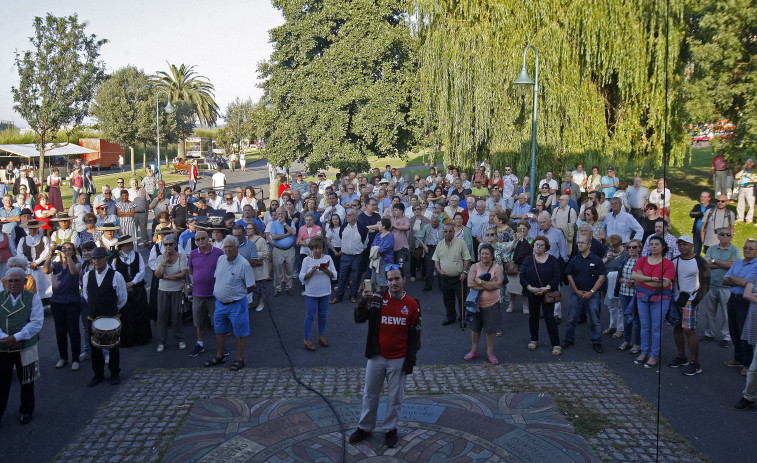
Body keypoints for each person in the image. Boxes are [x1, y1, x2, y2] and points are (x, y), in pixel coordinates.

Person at [348, 265, 420, 449]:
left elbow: (415, 336)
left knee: (395, 397)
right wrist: (363, 302)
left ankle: (390, 429)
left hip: (399, 358)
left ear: (404, 280)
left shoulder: (412, 304)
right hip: (376, 355)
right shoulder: (377, 298)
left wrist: (409, 361)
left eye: (397, 279)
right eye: (390, 279)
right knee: (370, 394)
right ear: (386, 281)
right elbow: (358, 318)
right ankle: (365, 427)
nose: (393, 283)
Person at [204, 236, 255, 371]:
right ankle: (220, 356)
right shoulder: (221, 259)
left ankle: (240, 358)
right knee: (219, 330)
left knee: (240, 332)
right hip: (220, 303)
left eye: (230, 247)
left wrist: (237, 293)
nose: (227, 249)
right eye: (225, 247)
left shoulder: (244, 265)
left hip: (236, 304)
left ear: (237, 247)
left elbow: (251, 286)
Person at [0, 267, 43, 425]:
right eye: (9, 281)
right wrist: (6, 338)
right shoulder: (0, 297)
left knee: (26, 380)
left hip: (25, 346)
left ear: (25, 282)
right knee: (2, 381)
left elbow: (36, 323)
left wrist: (16, 337)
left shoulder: (33, 298)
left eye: (16, 280)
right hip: (3, 347)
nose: (12, 284)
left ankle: (26, 410)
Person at [83, 247, 128, 386]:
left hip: (110, 318)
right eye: (94, 259)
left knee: (113, 347)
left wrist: (112, 310)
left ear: (105, 259)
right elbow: (86, 295)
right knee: (95, 348)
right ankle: (98, 374)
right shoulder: (87, 276)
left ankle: (114, 373)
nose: (96, 261)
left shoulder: (116, 276)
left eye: (98, 258)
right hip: (93, 318)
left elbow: (122, 298)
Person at [668, 235, 710, 375]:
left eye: (685, 244)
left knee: (689, 330)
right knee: (677, 328)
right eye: (680, 245)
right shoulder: (674, 261)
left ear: (692, 245)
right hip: (676, 299)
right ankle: (681, 355)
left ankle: (695, 362)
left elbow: (705, 283)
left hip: (690, 299)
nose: (682, 247)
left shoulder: (699, 261)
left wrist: (696, 300)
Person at [631, 235, 675, 368]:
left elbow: (664, 283)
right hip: (642, 297)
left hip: (660, 299)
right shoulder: (642, 260)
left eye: (657, 244)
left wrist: (643, 279)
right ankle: (644, 352)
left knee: (656, 327)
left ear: (663, 247)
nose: (654, 246)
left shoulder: (668, 263)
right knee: (644, 326)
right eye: (651, 244)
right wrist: (652, 279)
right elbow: (634, 276)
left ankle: (653, 355)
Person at [562, 236, 608, 353]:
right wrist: (576, 291)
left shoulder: (597, 260)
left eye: (582, 243)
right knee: (571, 319)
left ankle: (597, 342)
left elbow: (602, 277)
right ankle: (569, 339)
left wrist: (591, 292)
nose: (580, 245)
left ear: (589, 245)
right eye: (578, 243)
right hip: (576, 293)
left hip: (593, 294)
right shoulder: (574, 260)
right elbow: (569, 276)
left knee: (595, 320)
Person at [42, 241, 81, 371]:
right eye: (63, 249)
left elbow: (73, 272)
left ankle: (75, 358)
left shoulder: (77, 263)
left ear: (73, 251)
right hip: (57, 301)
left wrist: (69, 256)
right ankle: (63, 357)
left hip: (72, 301)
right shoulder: (56, 264)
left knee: (73, 330)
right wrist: (50, 255)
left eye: (69, 249)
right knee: (60, 331)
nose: (65, 251)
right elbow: (46, 270)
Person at [463, 244, 504, 364]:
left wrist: (480, 281)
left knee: (490, 330)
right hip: (475, 305)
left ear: (492, 256)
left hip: (492, 304)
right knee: (475, 329)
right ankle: (474, 350)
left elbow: (498, 285)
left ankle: (490, 353)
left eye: (487, 254)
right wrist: (488, 284)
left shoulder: (497, 268)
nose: (484, 256)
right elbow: (470, 284)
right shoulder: (474, 267)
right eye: (482, 253)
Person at [520, 235, 561, 355]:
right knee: (533, 317)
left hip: (547, 293)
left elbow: (557, 276)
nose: (538, 247)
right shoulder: (528, 260)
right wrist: (530, 288)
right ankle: (534, 340)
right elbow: (522, 276)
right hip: (533, 293)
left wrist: (547, 288)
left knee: (549, 318)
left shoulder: (552, 260)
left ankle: (556, 344)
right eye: (536, 244)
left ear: (546, 247)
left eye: (541, 245)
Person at [186, 230, 224, 357]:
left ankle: (220, 347)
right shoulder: (193, 254)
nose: (201, 241)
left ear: (209, 238)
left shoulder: (218, 253)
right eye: (198, 240)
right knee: (199, 321)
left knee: (216, 322)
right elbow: (191, 270)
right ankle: (200, 344)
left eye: (203, 238)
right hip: (198, 294)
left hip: (214, 294)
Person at [722, 239, 757, 376]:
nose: (747, 250)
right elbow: (724, 280)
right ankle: (738, 358)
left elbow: (745, 283)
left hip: (745, 301)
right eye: (745, 247)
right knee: (734, 329)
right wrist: (734, 279)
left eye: (751, 248)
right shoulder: (737, 262)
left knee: (745, 332)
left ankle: (747, 363)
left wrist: (732, 276)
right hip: (733, 298)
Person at [701, 227, 739, 347]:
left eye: (728, 235)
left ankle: (726, 337)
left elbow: (733, 267)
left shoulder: (735, 250)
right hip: (711, 285)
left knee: (726, 314)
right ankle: (709, 333)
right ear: (718, 236)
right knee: (709, 312)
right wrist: (725, 264)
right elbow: (706, 265)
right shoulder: (712, 248)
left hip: (726, 287)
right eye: (722, 234)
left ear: (731, 236)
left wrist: (714, 261)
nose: (725, 237)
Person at [111, 234, 151, 347]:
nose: (130, 246)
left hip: (137, 288)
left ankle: (142, 337)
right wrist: (124, 285)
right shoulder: (115, 259)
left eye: (131, 243)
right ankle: (128, 339)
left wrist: (132, 283)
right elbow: (114, 273)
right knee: (126, 315)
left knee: (140, 312)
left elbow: (142, 271)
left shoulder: (137, 255)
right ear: (122, 246)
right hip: (123, 290)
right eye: (127, 244)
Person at [299, 235, 337, 351]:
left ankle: (321, 335)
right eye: (315, 248)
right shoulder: (307, 260)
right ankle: (307, 339)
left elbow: (335, 275)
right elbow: (302, 276)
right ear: (312, 248)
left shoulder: (328, 258)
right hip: (311, 292)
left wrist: (327, 271)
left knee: (323, 315)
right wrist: (311, 271)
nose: (317, 250)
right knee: (310, 315)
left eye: (320, 248)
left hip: (325, 291)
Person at [153, 234, 188, 352]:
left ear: (175, 245)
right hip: (163, 290)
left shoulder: (181, 257)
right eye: (166, 244)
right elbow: (158, 275)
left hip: (177, 290)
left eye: (170, 244)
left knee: (176, 316)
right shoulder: (159, 258)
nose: (168, 246)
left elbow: (183, 274)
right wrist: (165, 261)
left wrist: (167, 276)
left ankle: (180, 339)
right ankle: (161, 341)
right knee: (162, 316)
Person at [434, 223, 471, 326]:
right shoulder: (440, 244)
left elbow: (467, 258)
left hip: (459, 278)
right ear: (443, 232)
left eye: (450, 231)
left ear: (454, 232)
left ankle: (463, 318)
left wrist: (464, 272)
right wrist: (439, 271)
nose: (448, 233)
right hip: (445, 278)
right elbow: (436, 260)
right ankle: (450, 317)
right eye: (445, 231)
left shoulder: (461, 243)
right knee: (447, 299)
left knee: (461, 300)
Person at [330, 208, 368, 304]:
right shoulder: (343, 227)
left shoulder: (362, 228)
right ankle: (338, 296)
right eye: (347, 215)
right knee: (342, 277)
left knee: (356, 277)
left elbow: (365, 242)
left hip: (357, 256)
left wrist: (358, 250)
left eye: (350, 215)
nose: (348, 217)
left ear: (356, 216)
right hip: (345, 256)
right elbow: (341, 237)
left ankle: (353, 295)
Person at [616, 239, 643, 352]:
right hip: (624, 292)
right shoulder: (625, 259)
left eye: (634, 247)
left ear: (639, 249)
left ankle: (637, 343)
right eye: (629, 247)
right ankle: (627, 340)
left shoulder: (642, 261)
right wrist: (624, 281)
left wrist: (636, 282)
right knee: (626, 318)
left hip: (636, 294)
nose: (632, 249)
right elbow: (620, 277)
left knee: (636, 319)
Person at [735, 272, 757, 410]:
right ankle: (749, 396)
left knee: (754, 368)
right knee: (754, 368)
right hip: (755, 325)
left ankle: (748, 396)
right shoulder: (756, 276)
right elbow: (747, 294)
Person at [16, 220, 51, 300]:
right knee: (29, 286)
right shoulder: (23, 239)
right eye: (31, 229)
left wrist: (36, 262)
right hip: (28, 269)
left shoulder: (43, 238)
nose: (32, 230)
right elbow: (20, 253)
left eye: (34, 228)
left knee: (43, 288)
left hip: (41, 268)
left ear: (38, 228)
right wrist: (29, 264)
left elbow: (46, 252)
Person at [602, 234, 627, 339]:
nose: (612, 249)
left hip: (620, 283)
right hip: (609, 283)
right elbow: (601, 264)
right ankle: (612, 325)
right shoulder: (608, 253)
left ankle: (620, 328)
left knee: (620, 306)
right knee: (611, 306)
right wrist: (606, 259)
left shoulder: (625, 254)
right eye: (610, 247)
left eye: (614, 247)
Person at [270, 206, 297, 297]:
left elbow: (293, 233)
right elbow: (274, 237)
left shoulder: (290, 222)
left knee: (290, 269)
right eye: (279, 214)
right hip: (278, 250)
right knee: (277, 271)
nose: (280, 215)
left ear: (285, 214)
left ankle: (289, 288)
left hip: (290, 249)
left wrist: (285, 224)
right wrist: (286, 234)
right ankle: (278, 289)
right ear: (276, 215)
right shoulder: (273, 224)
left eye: (282, 213)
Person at [735, 159, 757, 223]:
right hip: (742, 188)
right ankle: (740, 218)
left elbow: (756, 180)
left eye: (750, 163)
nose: (748, 165)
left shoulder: (754, 171)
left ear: (753, 164)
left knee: (750, 204)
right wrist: (744, 170)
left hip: (750, 188)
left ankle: (749, 219)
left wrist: (750, 176)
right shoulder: (744, 171)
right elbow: (736, 176)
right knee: (740, 204)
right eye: (747, 163)